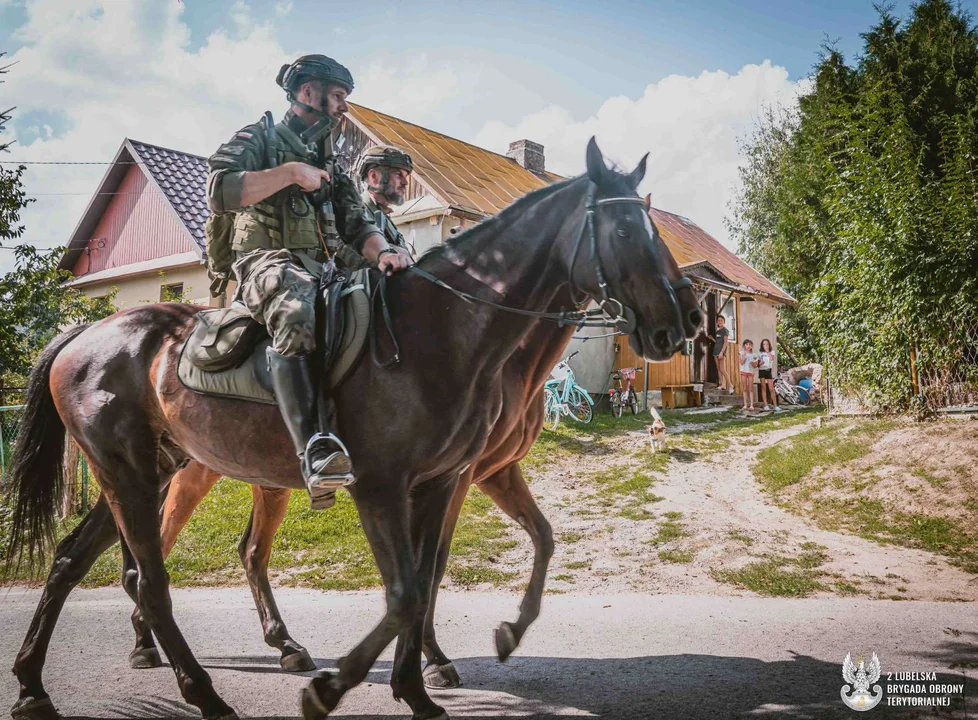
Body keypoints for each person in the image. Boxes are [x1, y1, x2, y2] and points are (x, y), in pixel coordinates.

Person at [206, 55, 412, 506]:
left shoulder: (332, 159)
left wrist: (388, 256)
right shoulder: (257, 137)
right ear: (306, 93)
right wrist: (290, 174)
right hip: (263, 261)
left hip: (321, 267)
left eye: (344, 98)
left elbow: (358, 224)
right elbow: (218, 190)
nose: (343, 107)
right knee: (296, 308)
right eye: (337, 96)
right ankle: (314, 452)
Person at [328, 144, 415, 269]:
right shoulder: (351, 212)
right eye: (398, 174)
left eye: (406, 176)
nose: (405, 182)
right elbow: (340, 250)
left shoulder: (386, 220)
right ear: (374, 177)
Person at [758, 338, 781, 412]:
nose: (765, 345)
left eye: (767, 344)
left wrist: (768, 352)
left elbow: (772, 358)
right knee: (763, 387)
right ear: (762, 345)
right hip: (762, 370)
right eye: (764, 344)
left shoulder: (772, 352)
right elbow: (757, 364)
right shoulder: (760, 353)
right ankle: (766, 405)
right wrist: (759, 363)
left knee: (771, 388)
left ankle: (775, 405)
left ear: (769, 345)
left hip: (768, 370)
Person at [712, 314, 733, 393]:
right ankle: (722, 384)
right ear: (717, 322)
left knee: (722, 369)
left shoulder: (725, 330)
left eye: (721, 320)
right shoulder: (717, 331)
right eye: (718, 320)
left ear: (724, 322)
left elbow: (725, 342)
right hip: (715, 352)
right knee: (718, 368)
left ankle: (731, 385)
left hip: (721, 352)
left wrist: (721, 352)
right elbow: (718, 342)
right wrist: (712, 339)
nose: (720, 321)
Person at [739, 339, 758, 411]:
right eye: (746, 344)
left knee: (750, 388)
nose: (748, 346)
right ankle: (745, 405)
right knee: (744, 388)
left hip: (750, 372)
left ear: (751, 346)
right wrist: (744, 355)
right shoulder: (741, 353)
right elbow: (741, 362)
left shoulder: (754, 355)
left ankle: (751, 405)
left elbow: (755, 366)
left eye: (750, 345)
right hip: (743, 371)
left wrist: (754, 363)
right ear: (744, 345)